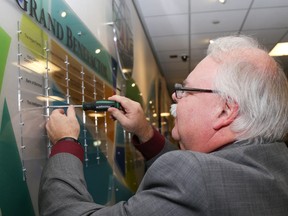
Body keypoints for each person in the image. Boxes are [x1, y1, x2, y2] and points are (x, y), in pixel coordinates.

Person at [38, 35, 288, 215]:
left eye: (186, 90)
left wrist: (65, 144)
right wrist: (145, 132)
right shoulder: (274, 163)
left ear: (224, 110)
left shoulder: (195, 179)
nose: (175, 97)